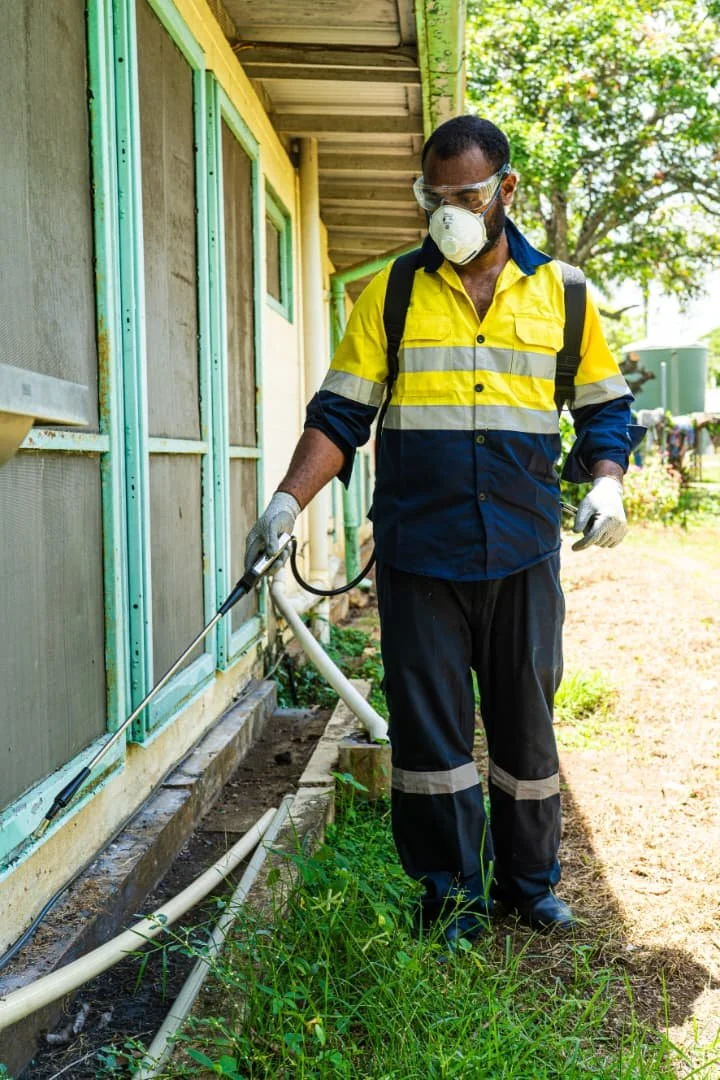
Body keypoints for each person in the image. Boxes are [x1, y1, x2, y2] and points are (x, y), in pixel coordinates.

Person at [245, 116, 635, 947]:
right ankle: (449, 896)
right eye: (435, 196)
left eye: (466, 195)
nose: (449, 211)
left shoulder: (563, 292)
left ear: (506, 190)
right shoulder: (390, 292)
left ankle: (531, 887)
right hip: (421, 551)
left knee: (527, 722)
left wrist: (607, 483)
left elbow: (605, 409)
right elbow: (341, 413)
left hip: (523, 547)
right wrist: (287, 502)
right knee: (431, 735)